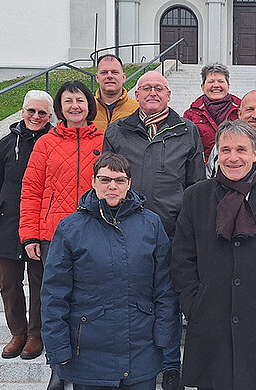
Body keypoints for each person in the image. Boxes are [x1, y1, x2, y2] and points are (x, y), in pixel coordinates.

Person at [171, 119, 256, 390]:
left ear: (255, 153)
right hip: (210, 322)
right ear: (217, 154)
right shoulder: (195, 197)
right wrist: (193, 302)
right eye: (225, 150)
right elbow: (182, 258)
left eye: (241, 150)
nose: (233, 158)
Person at [41, 152, 180, 390]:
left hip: (141, 351)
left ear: (129, 184)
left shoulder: (151, 224)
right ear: (93, 182)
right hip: (88, 352)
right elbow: (54, 293)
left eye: (119, 180)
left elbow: (165, 288)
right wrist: (57, 346)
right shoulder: (71, 228)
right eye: (105, 180)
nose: (112, 186)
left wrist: (164, 336)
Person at [103, 71, 205, 389]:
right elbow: (107, 178)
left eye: (158, 88)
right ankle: (136, 359)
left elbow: (196, 184)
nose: (152, 92)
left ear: (169, 94)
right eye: (146, 88)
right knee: (130, 297)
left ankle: (171, 364)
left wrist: (191, 229)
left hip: (171, 231)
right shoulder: (118, 130)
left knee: (168, 300)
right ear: (136, 93)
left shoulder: (187, 130)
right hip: (126, 229)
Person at [19, 80, 103, 389]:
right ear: (60, 107)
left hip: (94, 233)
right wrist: (29, 234)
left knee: (89, 300)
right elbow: (30, 190)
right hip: (53, 234)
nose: (74, 106)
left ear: (88, 104)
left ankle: (87, 358)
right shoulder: (45, 143)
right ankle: (58, 363)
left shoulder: (105, 139)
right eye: (68, 101)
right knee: (56, 302)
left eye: (79, 100)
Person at [0, 90, 53, 360]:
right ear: (22, 111)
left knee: (40, 282)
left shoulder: (53, 143)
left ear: (50, 116)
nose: (35, 116)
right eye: (31, 111)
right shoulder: (5, 145)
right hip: (9, 222)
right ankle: (18, 332)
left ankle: (35, 334)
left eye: (41, 112)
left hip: (42, 224)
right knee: (9, 282)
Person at [183, 62, 241, 161]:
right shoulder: (191, 114)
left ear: (228, 85)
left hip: (235, 166)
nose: (216, 85)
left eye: (220, 81)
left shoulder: (241, 110)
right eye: (211, 81)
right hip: (203, 171)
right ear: (202, 87)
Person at [93, 54, 139, 132]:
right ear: (97, 78)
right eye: (104, 72)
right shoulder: (87, 108)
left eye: (114, 72)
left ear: (123, 77)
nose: (109, 76)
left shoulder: (137, 110)